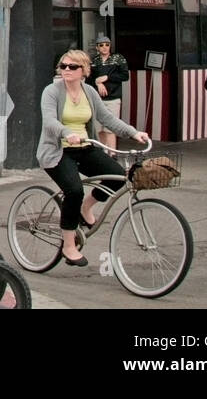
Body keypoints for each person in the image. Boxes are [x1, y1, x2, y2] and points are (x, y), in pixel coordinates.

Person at [38, 49, 147, 266]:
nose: (66, 70)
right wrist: (66, 132)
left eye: (72, 67)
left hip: (86, 147)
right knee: (74, 190)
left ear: (84, 70)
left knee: (117, 175)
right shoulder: (52, 91)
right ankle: (68, 245)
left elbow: (107, 118)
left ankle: (86, 207)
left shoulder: (89, 92)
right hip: (58, 150)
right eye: (63, 66)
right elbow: (49, 121)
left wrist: (133, 132)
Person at [88, 34, 129, 149]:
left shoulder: (118, 58)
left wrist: (107, 77)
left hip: (113, 98)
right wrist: (97, 82)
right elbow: (89, 79)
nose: (105, 47)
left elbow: (125, 76)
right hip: (98, 99)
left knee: (110, 129)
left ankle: (112, 154)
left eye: (107, 45)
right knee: (98, 129)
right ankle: (103, 153)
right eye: (101, 45)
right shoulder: (94, 61)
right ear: (97, 47)